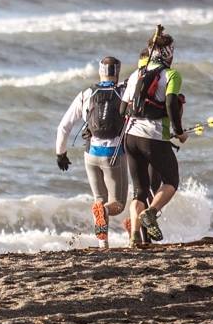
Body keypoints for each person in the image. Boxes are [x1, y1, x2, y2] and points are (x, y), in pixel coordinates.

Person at [121, 30, 187, 248]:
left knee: (139, 190)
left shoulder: (135, 75)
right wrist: (179, 131)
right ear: (169, 54)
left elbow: (123, 108)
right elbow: (170, 104)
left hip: (130, 137)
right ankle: (151, 213)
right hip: (153, 136)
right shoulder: (172, 75)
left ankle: (134, 237)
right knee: (171, 180)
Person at [54, 55, 125, 248]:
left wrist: (61, 153)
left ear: (100, 71)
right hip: (114, 154)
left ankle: (103, 244)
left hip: (91, 153)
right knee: (117, 205)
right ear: (117, 72)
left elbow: (64, 126)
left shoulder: (86, 93)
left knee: (99, 201)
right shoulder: (124, 92)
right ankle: (104, 218)